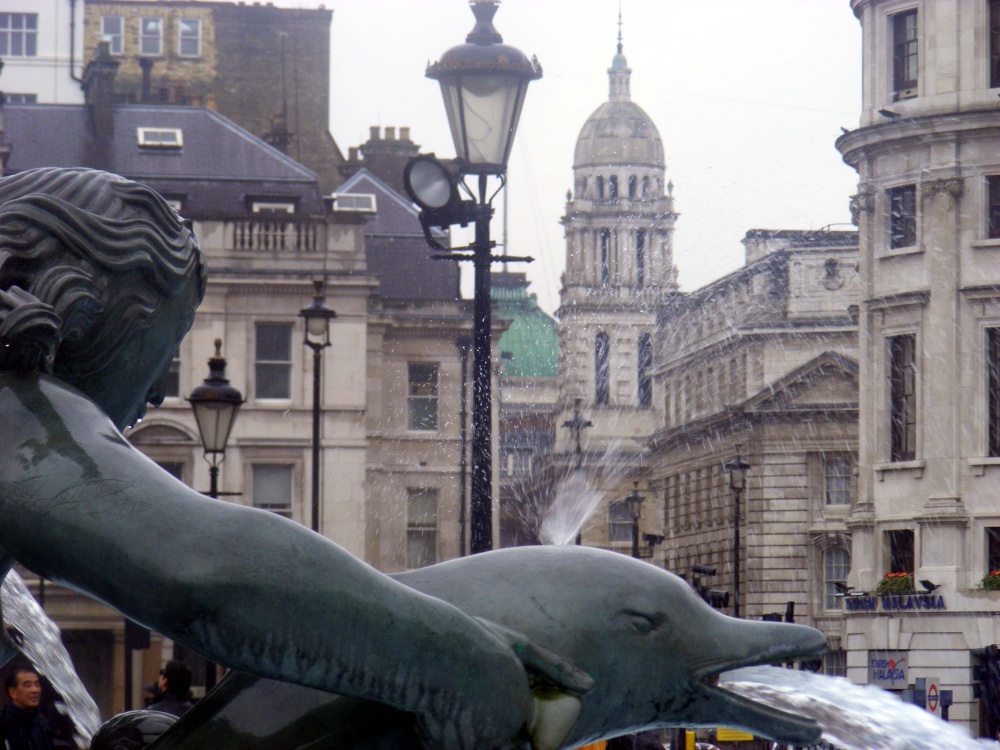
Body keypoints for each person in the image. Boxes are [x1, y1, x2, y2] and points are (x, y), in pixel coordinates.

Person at [0, 168, 588, 750]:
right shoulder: (12, 408)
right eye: (161, 351)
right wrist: (463, 660)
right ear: (85, 309)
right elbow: (205, 570)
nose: (156, 393)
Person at [0, 666, 54, 750]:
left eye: (37, 685)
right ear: (13, 692)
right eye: (27, 685)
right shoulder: (3, 723)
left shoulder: (42, 723)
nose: (35, 690)